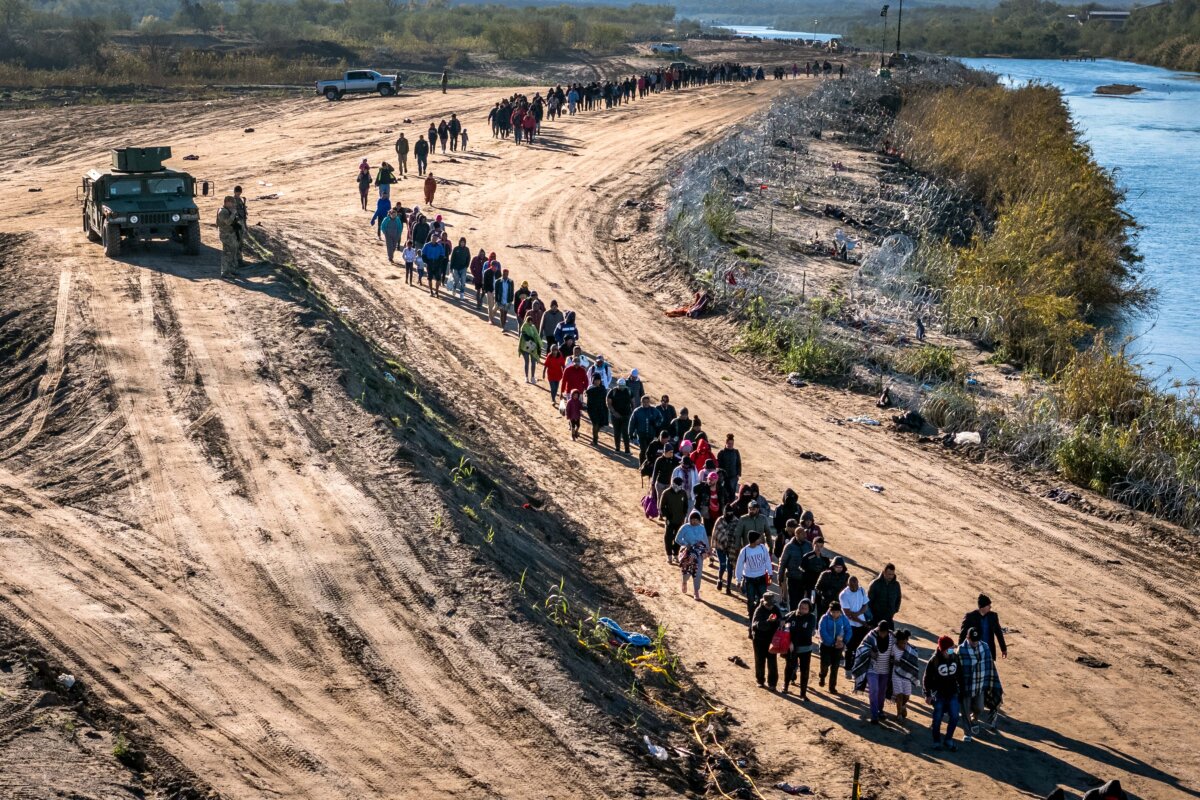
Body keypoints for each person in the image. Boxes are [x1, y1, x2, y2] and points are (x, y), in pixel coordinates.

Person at [958, 627, 1000, 740]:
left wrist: (991, 682)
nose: (975, 642)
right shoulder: (961, 650)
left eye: (977, 640)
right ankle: (967, 733)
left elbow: (989, 666)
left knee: (980, 708)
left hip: (979, 686)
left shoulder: (985, 647)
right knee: (965, 711)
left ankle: (974, 719)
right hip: (966, 688)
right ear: (967, 637)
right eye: (973, 640)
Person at [924, 636, 965, 751]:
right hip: (939, 694)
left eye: (953, 649)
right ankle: (936, 741)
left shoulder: (955, 658)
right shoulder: (934, 661)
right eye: (950, 649)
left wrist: (962, 691)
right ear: (943, 650)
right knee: (937, 718)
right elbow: (926, 679)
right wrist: (927, 694)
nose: (952, 651)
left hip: (953, 693)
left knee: (955, 717)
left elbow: (960, 676)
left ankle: (948, 739)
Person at [853, 619, 894, 724]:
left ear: (888, 631)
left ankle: (880, 710)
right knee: (873, 691)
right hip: (872, 669)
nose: (882, 634)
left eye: (884, 632)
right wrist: (869, 652)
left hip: (885, 671)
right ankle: (874, 714)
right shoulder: (871, 635)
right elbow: (861, 648)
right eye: (880, 632)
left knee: (881, 693)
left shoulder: (893, 638)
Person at [734, 530, 774, 625]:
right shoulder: (745, 551)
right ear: (754, 540)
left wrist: (770, 573)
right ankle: (752, 616)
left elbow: (767, 560)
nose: (760, 540)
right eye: (758, 538)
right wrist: (738, 580)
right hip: (749, 579)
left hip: (761, 577)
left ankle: (762, 615)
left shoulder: (762, 548)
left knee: (763, 598)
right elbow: (739, 566)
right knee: (750, 599)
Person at [783, 597, 816, 699]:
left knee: (805, 670)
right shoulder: (792, 615)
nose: (802, 610)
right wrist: (789, 641)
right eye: (801, 607)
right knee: (789, 667)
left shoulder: (811, 618)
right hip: (791, 648)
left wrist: (793, 641)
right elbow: (783, 623)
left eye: (805, 608)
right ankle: (785, 686)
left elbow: (806, 633)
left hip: (805, 648)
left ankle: (803, 693)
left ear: (809, 609)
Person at [960, 594, 1008, 661]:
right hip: (974, 651)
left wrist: (1003, 649)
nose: (990, 607)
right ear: (982, 607)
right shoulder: (970, 617)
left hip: (988, 651)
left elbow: (998, 633)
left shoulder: (993, 616)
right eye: (988, 605)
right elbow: (963, 634)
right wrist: (960, 651)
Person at [817, 600, 851, 694]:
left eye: (837, 612)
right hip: (826, 646)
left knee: (835, 667)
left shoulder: (843, 618)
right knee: (825, 664)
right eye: (833, 612)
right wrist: (833, 642)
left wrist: (843, 642)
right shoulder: (824, 618)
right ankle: (822, 676)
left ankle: (832, 687)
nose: (835, 614)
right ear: (830, 610)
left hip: (838, 647)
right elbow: (822, 632)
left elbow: (848, 630)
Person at [675, 510, 709, 600]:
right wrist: (686, 544)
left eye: (696, 520)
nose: (694, 521)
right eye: (692, 519)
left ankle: (696, 591)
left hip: (699, 553)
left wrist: (707, 550)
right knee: (687, 571)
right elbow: (677, 539)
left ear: (699, 520)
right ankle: (684, 581)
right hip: (687, 552)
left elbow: (705, 540)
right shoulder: (685, 527)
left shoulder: (702, 528)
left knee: (698, 572)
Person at [750, 594, 782, 691]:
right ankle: (760, 680)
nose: (770, 606)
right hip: (759, 640)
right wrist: (768, 621)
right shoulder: (758, 610)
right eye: (768, 605)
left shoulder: (775, 609)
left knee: (772, 661)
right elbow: (756, 625)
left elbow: (780, 619)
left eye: (772, 604)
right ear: (763, 602)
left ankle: (772, 683)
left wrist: (778, 621)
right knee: (760, 660)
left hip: (771, 639)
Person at [891, 629, 921, 725]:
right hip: (896, 674)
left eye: (905, 643)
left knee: (907, 696)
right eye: (901, 643)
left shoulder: (911, 650)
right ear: (897, 641)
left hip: (907, 675)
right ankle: (899, 715)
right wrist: (894, 662)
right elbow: (890, 659)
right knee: (899, 695)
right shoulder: (893, 648)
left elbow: (913, 663)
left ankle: (903, 705)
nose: (903, 645)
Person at [659, 476, 689, 565]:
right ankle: (669, 556)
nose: (678, 487)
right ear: (673, 484)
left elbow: (686, 506)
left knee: (678, 538)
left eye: (680, 485)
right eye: (677, 485)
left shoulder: (683, 493)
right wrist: (667, 516)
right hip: (670, 520)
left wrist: (683, 516)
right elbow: (662, 507)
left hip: (679, 521)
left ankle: (676, 554)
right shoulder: (666, 493)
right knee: (668, 538)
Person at [711, 505, 740, 594]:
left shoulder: (736, 521)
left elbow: (737, 535)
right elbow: (716, 533)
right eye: (728, 512)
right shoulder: (720, 520)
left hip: (731, 547)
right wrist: (722, 542)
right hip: (720, 547)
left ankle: (728, 587)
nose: (729, 514)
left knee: (730, 567)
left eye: (731, 512)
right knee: (722, 565)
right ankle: (719, 579)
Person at [778, 521, 807, 610]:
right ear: (797, 534)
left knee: (802, 600)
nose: (805, 535)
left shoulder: (808, 545)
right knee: (793, 600)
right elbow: (782, 562)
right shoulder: (789, 547)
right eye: (803, 534)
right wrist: (780, 576)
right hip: (792, 577)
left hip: (804, 578)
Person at [628, 396, 663, 466]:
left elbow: (661, 418)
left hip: (651, 434)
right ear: (641, 402)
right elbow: (632, 423)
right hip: (641, 434)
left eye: (647, 402)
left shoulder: (654, 410)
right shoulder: (637, 411)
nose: (646, 404)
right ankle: (641, 465)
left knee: (651, 450)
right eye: (644, 402)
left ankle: (649, 464)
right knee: (643, 450)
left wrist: (656, 423)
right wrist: (630, 433)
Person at [814, 556, 849, 622]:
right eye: (837, 567)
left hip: (840, 604)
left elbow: (849, 589)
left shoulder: (846, 576)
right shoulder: (825, 574)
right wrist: (824, 593)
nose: (839, 569)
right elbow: (817, 587)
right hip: (826, 603)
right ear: (833, 566)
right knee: (824, 621)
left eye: (840, 567)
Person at [799, 537, 831, 604]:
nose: (819, 548)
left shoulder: (825, 559)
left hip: (821, 587)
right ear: (813, 545)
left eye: (821, 546)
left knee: (820, 605)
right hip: (810, 586)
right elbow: (802, 570)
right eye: (817, 546)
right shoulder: (807, 557)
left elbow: (828, 572)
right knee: (811, 604)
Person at [607, 378, 634, 454]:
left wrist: (632, 412)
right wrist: (614, 412)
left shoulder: (628, 391)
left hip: (626, 415)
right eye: (620, 386)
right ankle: (617, 448)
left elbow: (633, 402)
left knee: (625, 432)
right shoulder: (613, 392)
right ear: (617, 385)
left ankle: (627, 449)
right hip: (615, 416)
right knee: (617, 432)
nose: (621, 387)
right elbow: (609, 403)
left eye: (623, 386)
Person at [773, 489, 802, 557]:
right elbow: (775, 521)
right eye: (789, 499)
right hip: (782, 533)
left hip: (795, 534)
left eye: (792, 499)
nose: (791, 501)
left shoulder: (798, 507)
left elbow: (800, 520)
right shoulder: (779, 508)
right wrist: (782, 531)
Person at [216, 195, 240, 276]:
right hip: (226, 235)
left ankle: (232, 269)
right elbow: (228, 222)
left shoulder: (228, 211)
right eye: (232, 203)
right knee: (227, 253)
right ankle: (225, 272)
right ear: (227, 202)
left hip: (231, 234)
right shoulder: (222, 211)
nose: (233, 205)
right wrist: (233, 213)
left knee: (233, 252)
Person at [585, 373, 609, 447]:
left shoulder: (603, 388)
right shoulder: (590, 388)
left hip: (601, 409)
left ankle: (595, 436)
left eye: (598, 380)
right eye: (595, 380)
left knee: (600, 424)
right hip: (592, 409)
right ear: (593, 380)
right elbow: (589, 399)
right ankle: (595, 440)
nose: (597, 382)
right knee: (595, 424)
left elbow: (604, 399)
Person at [519, 313, 542, 383]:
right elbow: (524, 337)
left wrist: (539, 344)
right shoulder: (524, 327)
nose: (530, 322)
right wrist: (531, 339)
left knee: (533, 362)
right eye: (529, 321)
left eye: (531, 321)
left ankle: (532, 377)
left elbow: (537, 336)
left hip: (533, 347)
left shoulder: (533, 327)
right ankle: (526, 377)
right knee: (527, 362)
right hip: (525, 346)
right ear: (527, 320)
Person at [717, 434, 741, 501]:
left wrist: (738, 474)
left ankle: (731, 505)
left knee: (732, 492)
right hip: (724, 477)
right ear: (726, 443)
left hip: (733, 476)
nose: (730, 445)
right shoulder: (721, 453)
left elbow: (738, 463)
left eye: (732, 443)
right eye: (729, 443)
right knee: (724, 491)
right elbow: (718, 465)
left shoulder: (736, 452)